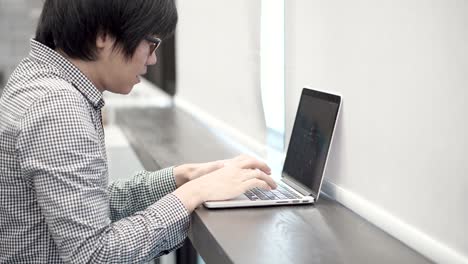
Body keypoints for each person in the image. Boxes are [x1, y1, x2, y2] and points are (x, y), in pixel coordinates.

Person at [0, 0, 277, 262]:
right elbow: (96, 255)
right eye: (151, 43)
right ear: (104, 35)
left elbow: (82, 206)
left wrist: (180, 178)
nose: (153, 60)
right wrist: (193, 195)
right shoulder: (59, 108)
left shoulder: (37, 79)